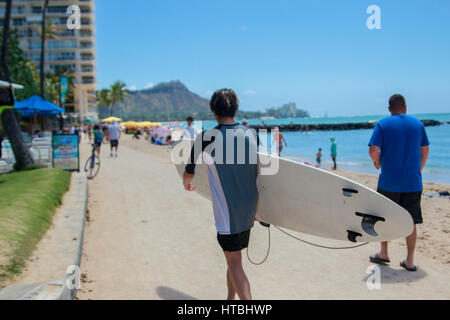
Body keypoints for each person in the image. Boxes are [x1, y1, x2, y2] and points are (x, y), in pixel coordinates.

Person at [183, 89, 259, 300]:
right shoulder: (252, 133)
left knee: (234, 261)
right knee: (233, 258)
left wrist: (186, 184)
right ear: (235, 108)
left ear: (213, 110)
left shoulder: (206, 137)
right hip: (249, 207)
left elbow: (189, 173)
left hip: (228, 211)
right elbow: (261, 170)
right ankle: (229, 300)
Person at [368, 94, 430, 272]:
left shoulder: (382, 124)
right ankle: (410, 261)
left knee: (384, 218)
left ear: (389, 108)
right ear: (405, 107)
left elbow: (373, 150)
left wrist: (378, 163)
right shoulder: (418, 124)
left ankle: (384, 252)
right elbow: (425, 150)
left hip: (388, 182)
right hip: (413, 182)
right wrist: (419, 169)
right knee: (411, 222)